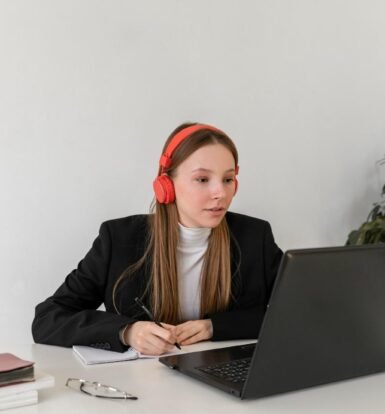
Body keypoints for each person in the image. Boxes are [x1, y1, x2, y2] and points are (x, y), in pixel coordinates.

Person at [32, 123, 283, 355]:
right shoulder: (118, 239)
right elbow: (48, 318)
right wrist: (127, 331)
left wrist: (214, 327)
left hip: (221, 379)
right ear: (166, 185)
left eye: (228, 179)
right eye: (202, 179)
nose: (220, 192)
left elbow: (299, 312)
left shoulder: (255, 237)